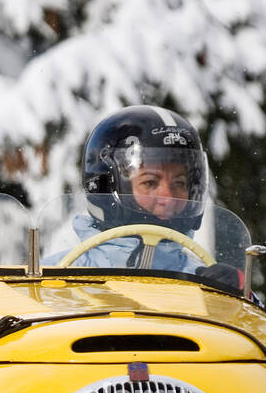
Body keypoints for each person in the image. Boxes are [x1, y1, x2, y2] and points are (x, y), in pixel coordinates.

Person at [54, 105, 243, 292]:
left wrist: (240, 297)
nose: (168, 199)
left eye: (180, 183)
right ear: (106, 187)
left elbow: (257, 322)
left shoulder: (204, 283)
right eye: (150, 183)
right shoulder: (53, 278)